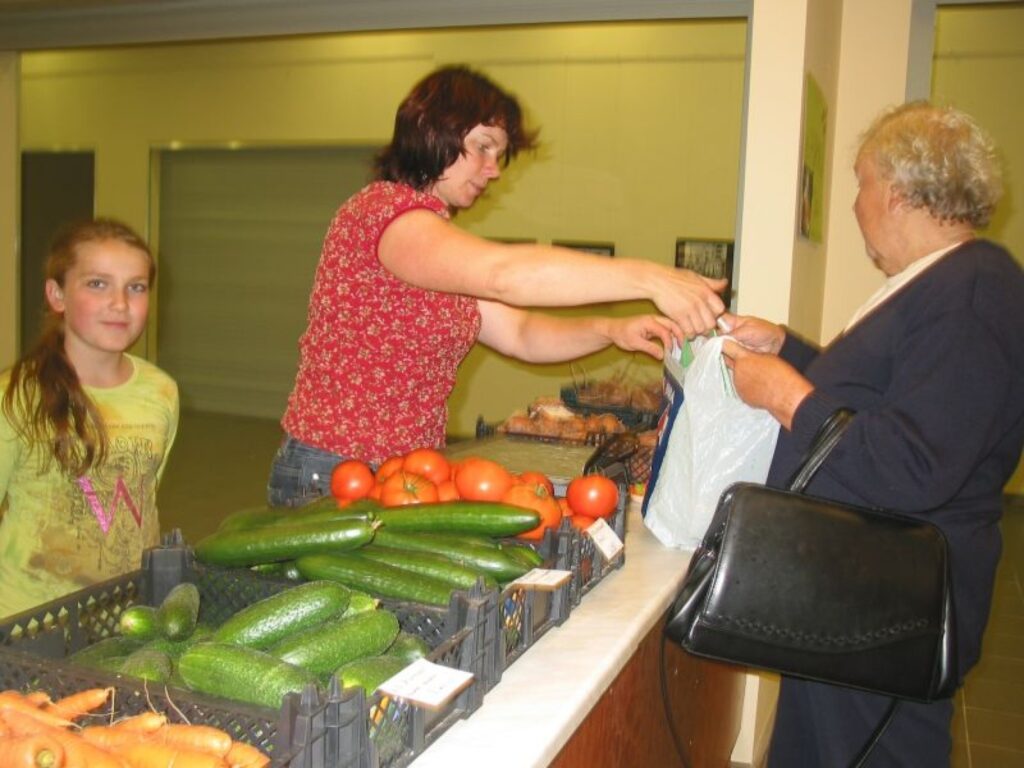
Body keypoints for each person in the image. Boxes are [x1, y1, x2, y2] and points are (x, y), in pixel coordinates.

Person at [269, 64, 727, 506]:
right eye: (483, 147)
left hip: (404, 473)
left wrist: (610, 329)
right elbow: (505, 276)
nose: (494, 170)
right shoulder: (384, 214)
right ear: (432, 131)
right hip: (331, 470)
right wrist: (650, 277)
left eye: (499, 154)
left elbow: (522, 334)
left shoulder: (436, 244)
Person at [721, 102, 1024, 766]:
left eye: (860, 183)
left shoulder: (973, 292)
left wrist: (785, 393)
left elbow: (913, 463)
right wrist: (791, 350)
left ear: (896, 189)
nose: (856, 205)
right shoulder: (947, 284)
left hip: (886, 612)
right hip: (859, 601)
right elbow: (880, 401)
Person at [0, 218, 179, 618]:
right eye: (98, 284)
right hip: (28, 619)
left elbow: (141, 498)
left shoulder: (161, 391)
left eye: (136, 287)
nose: (120, 303)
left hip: (123, 612)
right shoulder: (14, 398)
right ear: (57, 294)